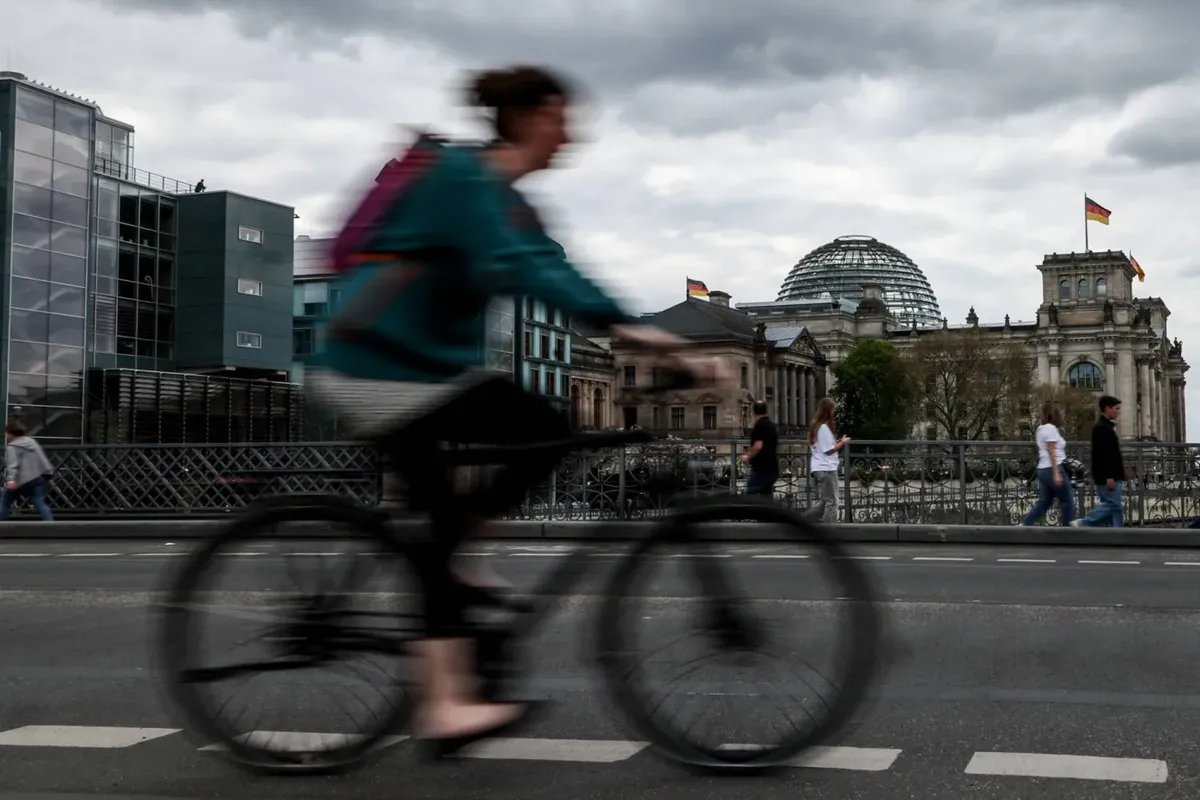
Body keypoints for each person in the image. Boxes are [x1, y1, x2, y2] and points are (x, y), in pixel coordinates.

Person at [307, 65, 725, 758]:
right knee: (443, 529)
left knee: (544, 425)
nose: (572, 135)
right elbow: (521, 269)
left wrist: (643, 330)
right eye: (564, 119)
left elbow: (555, 269)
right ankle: (444, 703)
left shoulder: (509, 199)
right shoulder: (465, 182)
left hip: (423, 367)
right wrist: (644, 336)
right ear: (532, 118)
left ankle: (461, 554)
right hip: (376, 367)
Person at [1071, 395, 1125, 528]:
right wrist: (1109, 476)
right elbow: (1103, 455)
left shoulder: (1105, 427)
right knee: (1114, 505)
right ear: (1107, 408)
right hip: (1108, 476)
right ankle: (1085, 522)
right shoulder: (1102, 428)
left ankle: (1115, 537)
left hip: (1109, 475)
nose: (1118, 411)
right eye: (1116, 408)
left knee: (1113, 509)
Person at [1020, 401, 1075, 526]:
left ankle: (1025, 525)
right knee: (1067, 501)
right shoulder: (1051, 429)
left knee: (1044, 502)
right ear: (1053, 415)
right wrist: (1056, 473)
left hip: (1042, 469)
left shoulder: (1040, 429)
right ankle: (1069, 533)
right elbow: (1051, 450)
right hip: (1053, 468)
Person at [1, 420, 54, 522]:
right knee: (39, 502)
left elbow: (13, 465)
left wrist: (11, 480)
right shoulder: (32, 443)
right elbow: (42, 458)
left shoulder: (12, 447)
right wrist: (48, 471)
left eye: (7, 433)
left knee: (6, 503)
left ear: (11, 433)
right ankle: (50, 524)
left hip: (20, 481)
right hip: (36, 479)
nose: (6, 436)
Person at [808, 398, 850, 523]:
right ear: (828, 411)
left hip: (819, 468)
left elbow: (823, 446)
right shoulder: (823, 428)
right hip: (827, 468)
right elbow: (828, 451)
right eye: (833, 410)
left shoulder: (816, 427)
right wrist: (842, 443)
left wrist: (837, 442)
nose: (834, 412)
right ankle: (829, 531)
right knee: (832, 502)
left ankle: (802, 520)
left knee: (825, 501)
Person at [742, 401, 778, 496]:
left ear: (753, 412)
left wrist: (747, 457)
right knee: (766, 497)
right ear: (766, 411)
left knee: (750, 494)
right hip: (772, 467)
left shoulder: (759, 425)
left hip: (761, 469)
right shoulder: (771, 425)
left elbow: (758, 445)